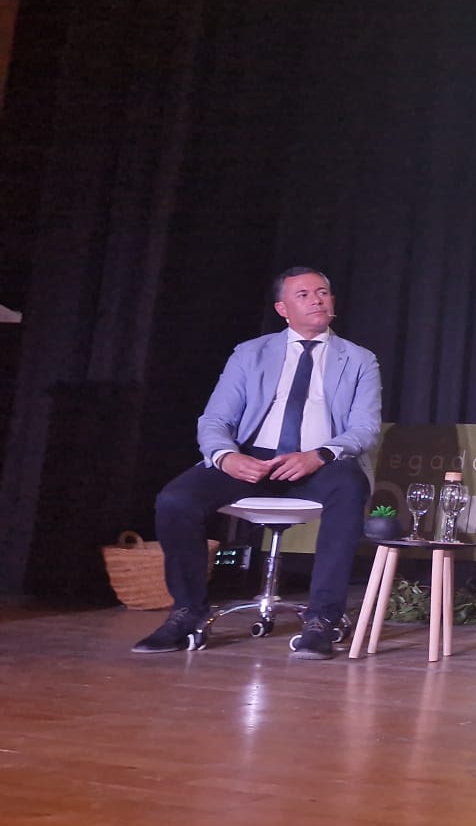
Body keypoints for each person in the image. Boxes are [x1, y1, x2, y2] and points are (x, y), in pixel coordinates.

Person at [133, 267, 382, 659]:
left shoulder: (359, 360)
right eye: (303, 295)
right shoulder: (250, 353)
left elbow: (365, 427)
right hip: (251, 458)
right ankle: (186, 614)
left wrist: (319, 455)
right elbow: (215, 420)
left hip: (319, 459)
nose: (317, 299)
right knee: (175, 500)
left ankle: (322, 620)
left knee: (350, 487)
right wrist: (226, 456)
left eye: (323, 293)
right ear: (282, 308)